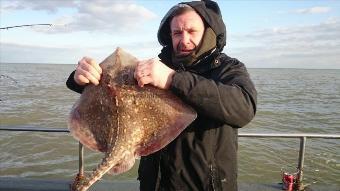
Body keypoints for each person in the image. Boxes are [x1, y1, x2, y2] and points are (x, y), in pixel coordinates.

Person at [66, 0, 257, 190]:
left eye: (191, 31)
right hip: (155, 183)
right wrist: (81, 78)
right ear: (169, 35)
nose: (184, 39)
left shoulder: (228, 68)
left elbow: (244, 107)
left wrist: (173, 79)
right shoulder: (155, 67)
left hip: (204, 185)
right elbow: (114, 93)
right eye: (177, 33)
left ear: (208, 32)